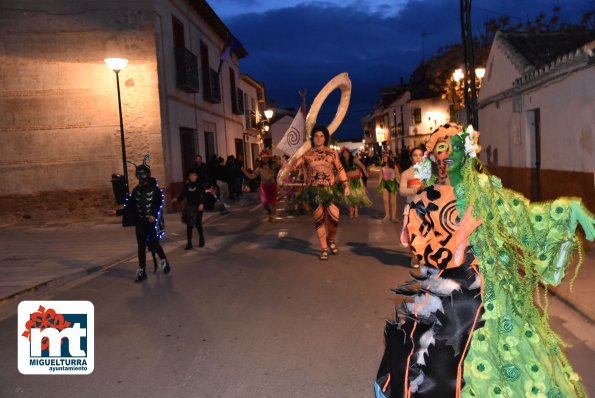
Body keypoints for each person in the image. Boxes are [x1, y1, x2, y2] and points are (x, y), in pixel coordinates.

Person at [374, 124, 595, 398]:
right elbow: (418, 245)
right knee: (434, 351)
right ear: (433, 155)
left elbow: (521, 213)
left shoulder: (483, 188)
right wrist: (440, 230)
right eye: (443, 147)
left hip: (490, 288)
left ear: (467, 153)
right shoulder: (426, 194)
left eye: (457, 147)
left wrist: (566, 208)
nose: (450, 154)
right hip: (444, 288)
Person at [291, 125, 350, 260]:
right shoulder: (307, 153)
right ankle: (324, 248)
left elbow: (340, 169)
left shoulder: (332, 152)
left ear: (325, 138)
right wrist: (289, 164)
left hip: (329, 190)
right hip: (313, 190)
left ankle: (330, 239)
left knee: (335, 218)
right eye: (316, 136)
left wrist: (346, 184)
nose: (319, 138)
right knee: (319, 220)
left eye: (321, 136)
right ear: (312, 138)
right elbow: (294, 167)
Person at [120, 156, 170, 282]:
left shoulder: (155, 189)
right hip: (140, 222)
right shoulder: (136, 190)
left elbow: (158, 202)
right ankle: (142, 270)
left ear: (147, 175)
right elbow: (130, 205)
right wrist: (116, 211)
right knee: (141, 246)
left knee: (154, 244)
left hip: (151, 222)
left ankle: (164, 260)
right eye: (138, 175)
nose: (140, 177)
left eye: (142, 174)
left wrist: (153, 214)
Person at [398, 146, 424, 267]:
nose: (418, 157)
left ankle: (425, 256)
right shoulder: (407, 173)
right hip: (412, 207)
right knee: (413, 233)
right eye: (415, 155)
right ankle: (414, 256)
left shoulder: (429, 172)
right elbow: (402, 191)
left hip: (427, 208)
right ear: (411, 158)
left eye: (420, 155)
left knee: (426, 233)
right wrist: (415, 190)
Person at [171, 170, 205, 250]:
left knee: (198, 224)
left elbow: (203, 195)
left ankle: (201, 238)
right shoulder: (187, 186)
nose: (192, 177)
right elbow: (182, 195)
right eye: (190, 175)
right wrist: (177, 199)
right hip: (189, 207)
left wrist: (202, 204)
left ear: (197, 176)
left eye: (194, 175)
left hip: (198, 207)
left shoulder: (200, 185)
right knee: (189, 226)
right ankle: (189, 243)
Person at [242, 153, 280, 222]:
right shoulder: (259, 168)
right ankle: (270, 212)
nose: (265, 159)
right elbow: (252, 176)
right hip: (264, 187)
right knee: (264, 203)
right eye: (263, 158)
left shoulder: (273, 166)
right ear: (261, 159)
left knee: (273, 202)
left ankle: (273, 216)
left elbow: (281, 167)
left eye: (266, 158)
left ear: (269, 158)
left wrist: (277, 161)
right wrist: (245, 172)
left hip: (272, 185)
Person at [340, 147, 371, 218]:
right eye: (344, 153)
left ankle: (356, 209)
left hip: (356, 180)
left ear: (349, 153)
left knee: (356, 195)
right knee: (349, 196)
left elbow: (362, 166)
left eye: (346, 152)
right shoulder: (342, 162)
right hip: (348, 181)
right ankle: (351, 210)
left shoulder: (353, 159)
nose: (345, 154)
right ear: (342, 155)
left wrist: (365, 172)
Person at [378, 152, 401, 222]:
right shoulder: (382, 166)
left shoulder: (394, 166)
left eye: (385, 157)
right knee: (385, 200)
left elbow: (398, 175)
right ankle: (387, 215)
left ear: (388, 158)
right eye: (383, 157)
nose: (384, 158)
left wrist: (401, 183)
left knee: (393, 202)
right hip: (385, 184)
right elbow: (380, 176)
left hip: (392, 185)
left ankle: (393, 217)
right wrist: (379, 185)